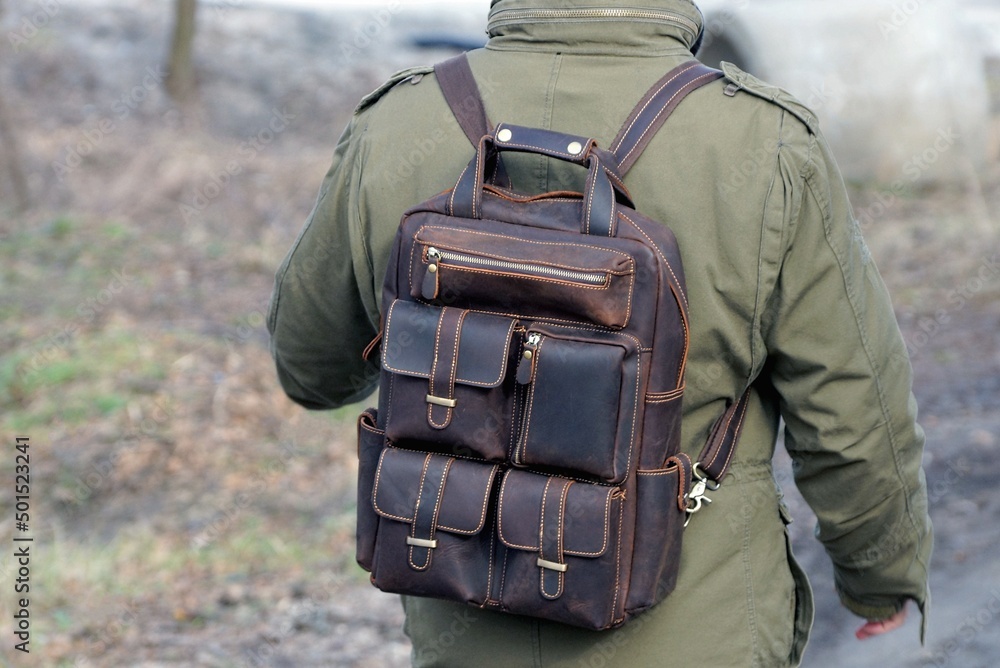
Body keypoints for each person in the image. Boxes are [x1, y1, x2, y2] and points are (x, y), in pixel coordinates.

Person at [266, 1, 933, 665]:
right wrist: (881, 578)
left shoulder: (395, 124)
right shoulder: (765, 143)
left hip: (461, 630)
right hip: (701, 630)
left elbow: (310, 366)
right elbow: (852, 410)